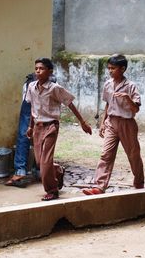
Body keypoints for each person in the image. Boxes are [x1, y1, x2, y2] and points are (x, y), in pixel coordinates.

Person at [25, 58, 92, 201]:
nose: (38, 71)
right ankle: (58, 170)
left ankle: (52, 190)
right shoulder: (31, 87)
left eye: (41, 68)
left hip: (51, 126)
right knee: (39, 162)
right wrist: (30, 126)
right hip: (37, 127)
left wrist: (82, 122)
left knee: (45, 163)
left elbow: (69, 103)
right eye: (36, 68)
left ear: (49, 72)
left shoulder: (54, 88)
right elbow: (32, 108)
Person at [83, 54, 145, 195]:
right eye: (109, 68)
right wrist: (104, 122)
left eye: (113, 68)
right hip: (111, 121)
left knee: (133, 154)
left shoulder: (131, 86)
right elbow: (107, 104)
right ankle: (99, 186)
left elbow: (136, 109)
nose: (110, 71)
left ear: (122, 69)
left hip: (127, 123)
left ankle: (139, 182)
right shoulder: (108, 84)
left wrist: (128, 99)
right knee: (106, 154)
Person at [5, 73, 57, 188]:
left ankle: (20, 172)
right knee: (44, 137)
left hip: (35, 105)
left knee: (24, 135)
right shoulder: (53, 84)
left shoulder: (30, 85)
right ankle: (41, 171)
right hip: (47, 107)